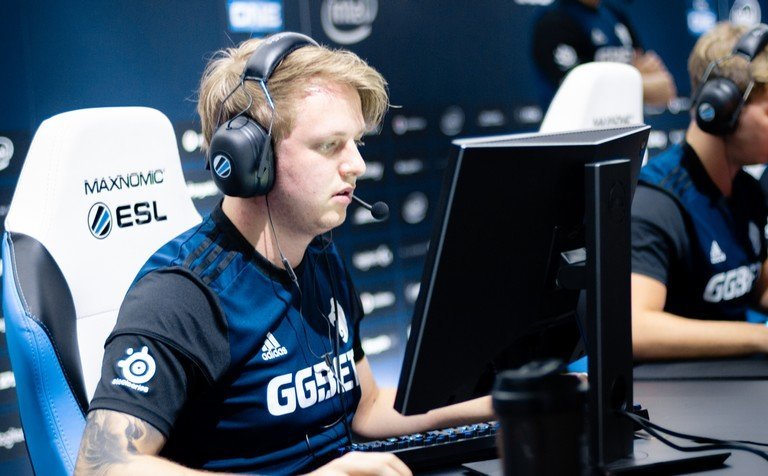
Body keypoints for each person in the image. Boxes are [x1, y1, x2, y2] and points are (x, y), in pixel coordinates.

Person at [74, 32, 492, 475]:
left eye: (357, 143)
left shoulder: (320, 257)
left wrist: (496, 403)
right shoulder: (183, 295)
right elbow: (102, 467)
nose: (357, 165)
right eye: (330, 145)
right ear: (251, 158)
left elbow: (366, 406)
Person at [631, 21, 768, 361]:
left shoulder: (746, 191)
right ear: (722, 109)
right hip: (675, 388)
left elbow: (759, 286)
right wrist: (760, 337)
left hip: (732, 379)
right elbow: (635, 328)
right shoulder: (655, 203)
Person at [531, 0, 677, 109]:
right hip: (576, 135)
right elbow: (579, 90)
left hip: (626, 132)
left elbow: (664, 89)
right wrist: (638, 80)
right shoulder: (554, 21)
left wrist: (612, 85)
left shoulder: (615, 15)